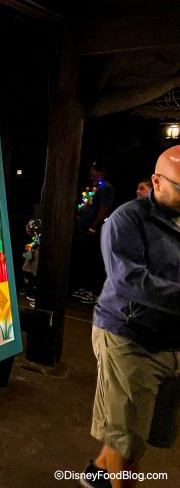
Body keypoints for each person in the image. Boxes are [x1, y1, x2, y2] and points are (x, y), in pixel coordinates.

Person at [81, 145, 180, 488]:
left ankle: (98, 473)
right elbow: (130, 280)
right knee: (128, 444)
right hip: (130, 336)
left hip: (172, 340)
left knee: (136, 427)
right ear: (156, 181)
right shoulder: (127, 218)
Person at [71, 161, 115, 304]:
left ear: (102, 173)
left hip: (94, 230)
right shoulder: (92, 187)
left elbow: (104, 209)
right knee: (84, 259)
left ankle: (94, 291)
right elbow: (85, 204)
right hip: (82, 227)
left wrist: (93, 227)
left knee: (93, 260)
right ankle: (84, 287)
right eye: (91, 169)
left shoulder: (106, 188)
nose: (91, 172)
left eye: (94, 170)